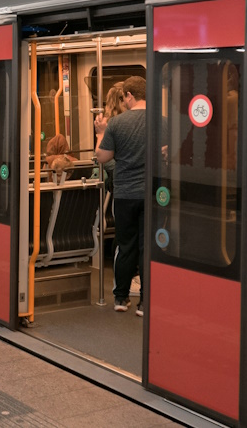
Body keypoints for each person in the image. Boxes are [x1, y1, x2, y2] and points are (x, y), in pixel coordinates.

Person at [95, 76, 147, 316]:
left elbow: (103, 158)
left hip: (125, 193)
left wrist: (100, 133)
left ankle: (120, 297)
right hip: (153, 194)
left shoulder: (115, 123)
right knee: (148, 247)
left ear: (129, 96)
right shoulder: (163, 121)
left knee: (126, 245)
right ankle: (146, 302)